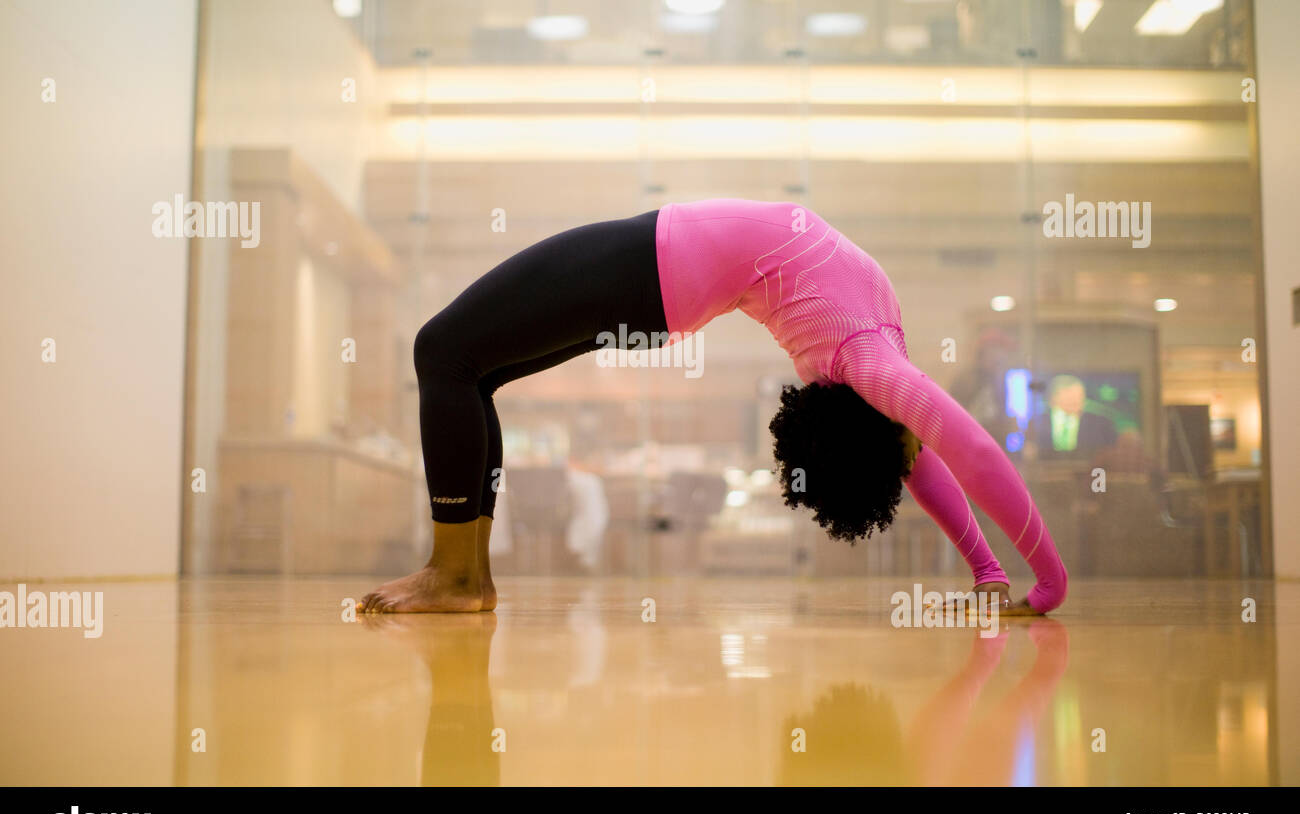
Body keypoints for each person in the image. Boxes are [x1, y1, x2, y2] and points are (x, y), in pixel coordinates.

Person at [358, 199, 1068, 615]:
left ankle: (453, 575)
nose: (916, 450)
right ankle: (466, 576)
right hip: (662, 273)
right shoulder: (877, 371)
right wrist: (992, 574)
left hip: (655, 266)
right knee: (468, 368)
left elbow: (967, 451)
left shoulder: (867, 361)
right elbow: (927, 458)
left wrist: (1050, 587)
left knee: (442, 350)